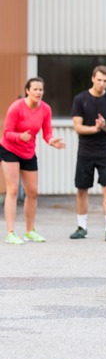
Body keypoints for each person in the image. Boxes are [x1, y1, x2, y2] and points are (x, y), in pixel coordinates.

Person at [0, 77, 65, 245]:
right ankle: (10, 232)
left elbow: (47, 133)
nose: (38, 92)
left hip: (28, 152)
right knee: (13, 189)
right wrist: (20, 136)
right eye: (35, 89)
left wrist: (52, 141)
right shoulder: (16, 107)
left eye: (41, 89)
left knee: (32, 192)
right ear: (27, 91)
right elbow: (6, 133)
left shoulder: (45, 109)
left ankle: (30, 231)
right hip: (9, 149)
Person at [70, 65, 106, 242]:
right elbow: (78, 127)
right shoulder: (80, 99)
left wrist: (104, 125)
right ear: (93, 78)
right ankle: (82, 226)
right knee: (82, 189)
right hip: (85, 151)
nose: (101, 84)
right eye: (99, 80)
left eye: (105, 81)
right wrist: (95, 128)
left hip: (104, 150)